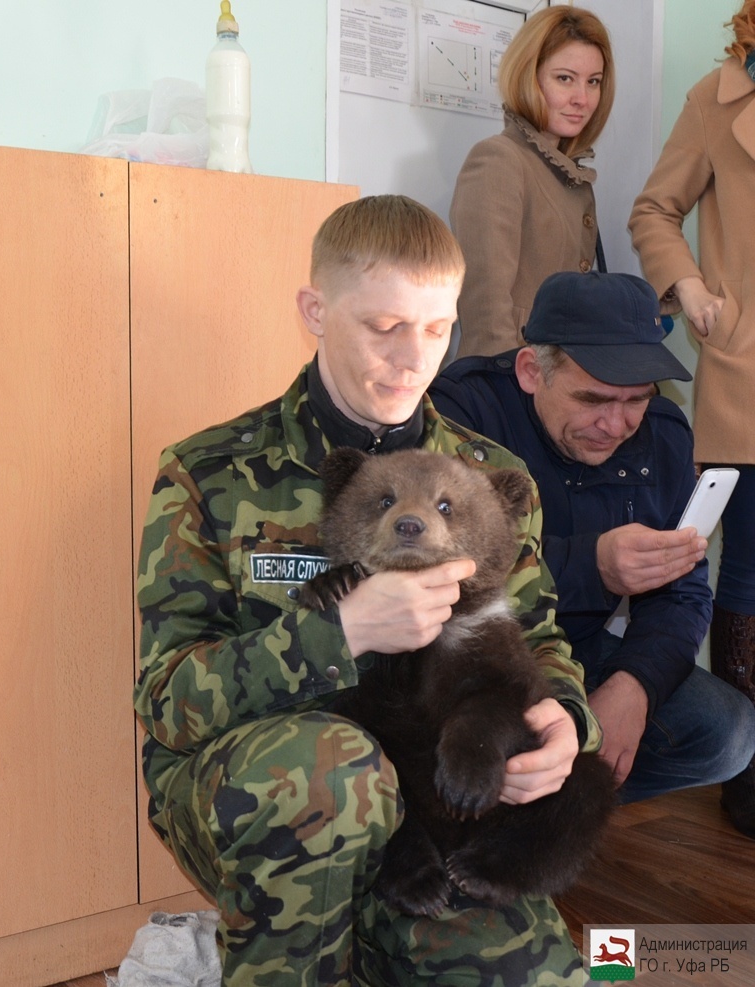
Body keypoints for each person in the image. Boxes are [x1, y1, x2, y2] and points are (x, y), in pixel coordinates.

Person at [133, 195, 604, 987]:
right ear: (316, 311)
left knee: (550, 978)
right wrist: (338, 633)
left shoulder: (490, 481)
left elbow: (540, 641)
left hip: (436, 805)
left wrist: (563, 718)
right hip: (261, 800)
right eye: (383, 327)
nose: (412, 357)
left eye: (435, 327)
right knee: (331, 766)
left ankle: (362, 947)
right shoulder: (209, 474)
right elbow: (168, 701)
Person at [429, 271, 755, 822]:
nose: (617, 424)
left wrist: (634, 688)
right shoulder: (461, 415)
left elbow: (683, 595)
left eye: (636, 399)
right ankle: (467, 814)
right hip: (471, 656)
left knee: (729, 734)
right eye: (592, 398)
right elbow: (442, 574)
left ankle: (544, 813)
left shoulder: (664, 433)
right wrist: (592, 565)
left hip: (582, 650)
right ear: (532, 371)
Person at [629, 0, 755, 834]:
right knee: (744, 577)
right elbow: (653, 210)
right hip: (747, 377)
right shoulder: (718, 98)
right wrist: (696, 294)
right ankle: (750, 776)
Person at [450, 5, 615, 359]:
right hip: (512, 384)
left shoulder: (569, 173)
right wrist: (508, 393)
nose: (582, 99)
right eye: (565, 78)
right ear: (529, 77)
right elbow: (486, 310)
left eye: (593, 82)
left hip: (555, 384)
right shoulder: (498, 159)